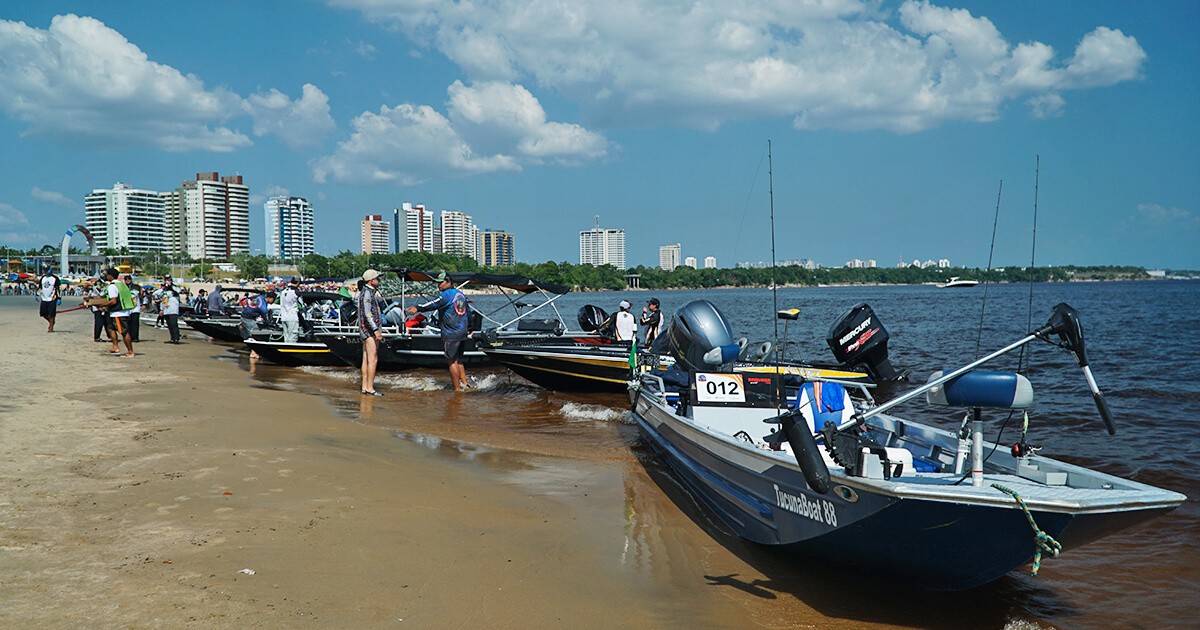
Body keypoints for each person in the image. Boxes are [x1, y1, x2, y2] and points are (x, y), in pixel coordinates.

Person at [407, 270, 471, 391]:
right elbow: (468, 313)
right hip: (462, 331)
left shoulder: (446, 295)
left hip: (451, 332)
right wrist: (470, 328)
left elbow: (433, 304)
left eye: (441, 283)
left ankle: (457, 389)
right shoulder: (460, 294)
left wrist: (417, 308)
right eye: (437, 283)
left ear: (448, 282)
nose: (438, 285)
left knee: (451, 360)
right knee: (458, 359)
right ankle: (465, 383)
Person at [358, 269, 385, 396]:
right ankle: (370, 388)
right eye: (377, 278)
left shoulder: (366, 292)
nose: (379, 280)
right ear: (371, 280)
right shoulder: (368, 293)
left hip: (366, 329)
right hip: (369, 330)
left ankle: (365, 386)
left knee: (366, 358)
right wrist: (375, 330)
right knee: (373, 358)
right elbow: (368, 313)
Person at [101, 268, 136, 358]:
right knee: (110, 328)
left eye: (107, 275)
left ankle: (130, 351)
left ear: (110, 276)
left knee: (124, 332)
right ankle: (115, 346)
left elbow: (113, 301)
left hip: (118, 313)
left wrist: (103, 305)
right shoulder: (122, 284)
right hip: (122, 312)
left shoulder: (112, 286)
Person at [37, 267, 61, 332]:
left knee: (52, 314)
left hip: (52, 298)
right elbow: (40, 287)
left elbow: (58, 289)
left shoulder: (55, 278)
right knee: (43, 313)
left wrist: (59, 298)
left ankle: (51, 327)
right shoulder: (43, 278)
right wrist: (37, 294)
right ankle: (51, 322)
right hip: (44, 298)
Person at [278, 278, 301, 343]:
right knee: (293, 335)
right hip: (292, 317)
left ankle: (285, 348)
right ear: (298, 282)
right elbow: (300, 305)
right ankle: (291, 349)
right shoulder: (296, 291)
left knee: (286, 335)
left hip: (284, 316)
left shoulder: (283, 291)